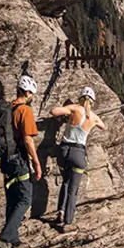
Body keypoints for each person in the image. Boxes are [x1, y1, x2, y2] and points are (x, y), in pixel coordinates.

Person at [0, 75, 42, 248]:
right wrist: (36, 163)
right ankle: (3, 240)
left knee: (12, 199)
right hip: (19, 160)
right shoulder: (24, 111)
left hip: (6, 160)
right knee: (25, 199)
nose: (32, 97)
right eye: (32, 94)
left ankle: (13, 239)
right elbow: (28, 139)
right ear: (28, 93)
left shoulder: (7, 108)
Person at [49, 86, 105, 232]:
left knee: (65, 182)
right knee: (73, 189)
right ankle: (68, 222)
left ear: (80, 98)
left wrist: (67, 116)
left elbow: (54, 111)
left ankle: (60, 212)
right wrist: (94, 119)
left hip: (64, 151)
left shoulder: (74, 109)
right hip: (78, 154)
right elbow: (103, 127)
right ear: (92, 101)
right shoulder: (93, 117)